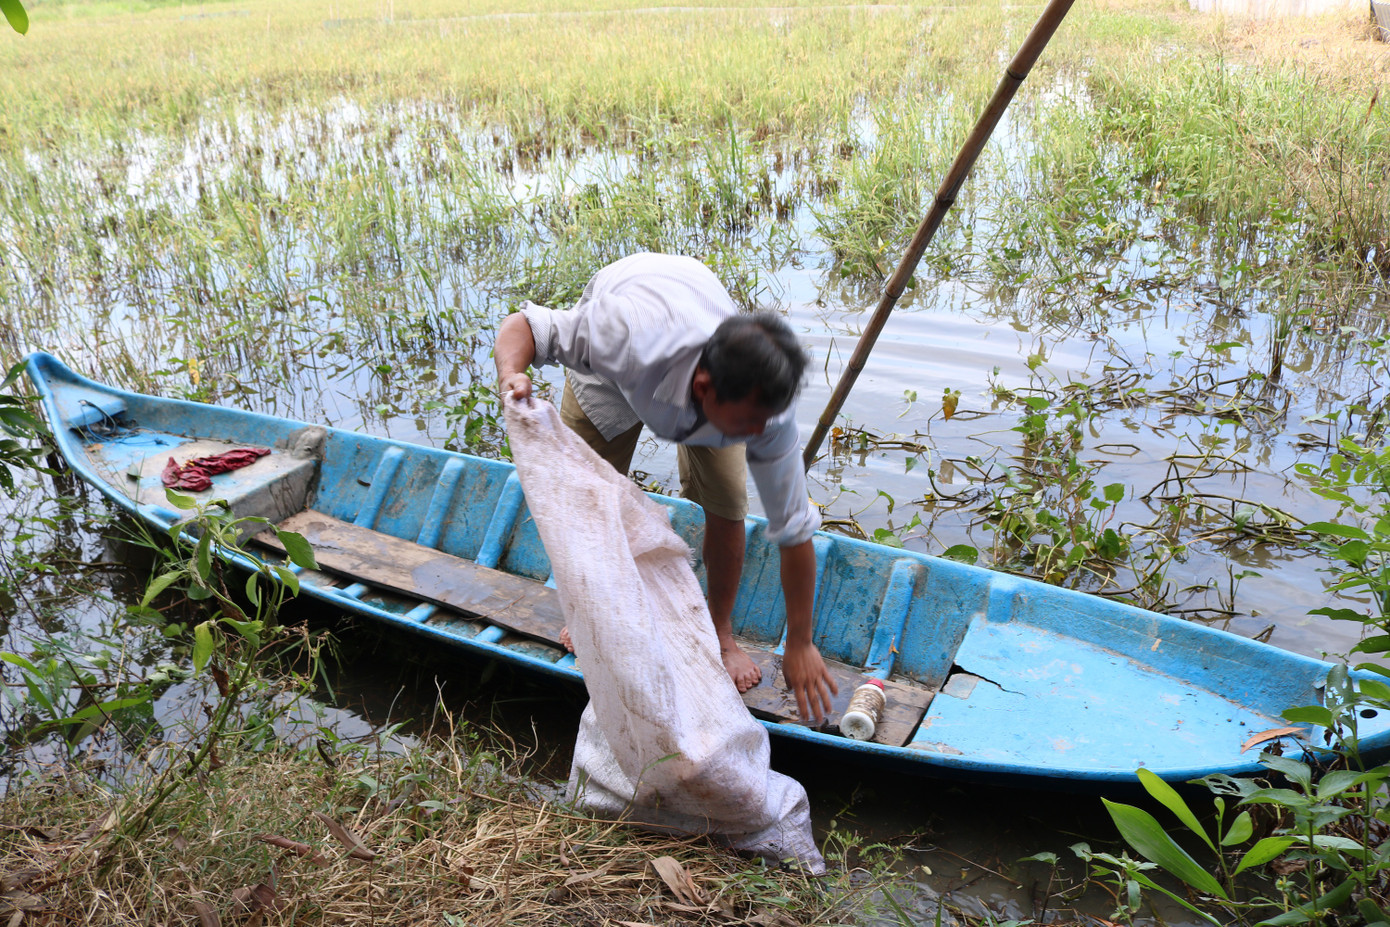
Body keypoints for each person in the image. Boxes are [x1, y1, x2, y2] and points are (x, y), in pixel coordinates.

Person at [494, 252, 838, 723]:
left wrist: (800, 640)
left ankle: (720, 635)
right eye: (747, 423)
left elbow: (795, 532)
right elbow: (526, 326)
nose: (760, 435)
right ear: (704, 388)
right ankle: (589, 615)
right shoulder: (621, 335)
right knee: (584, 496)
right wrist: (512, 373)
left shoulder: (763, 414)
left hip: (696, 316)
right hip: (613, 376)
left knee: (726, 503)